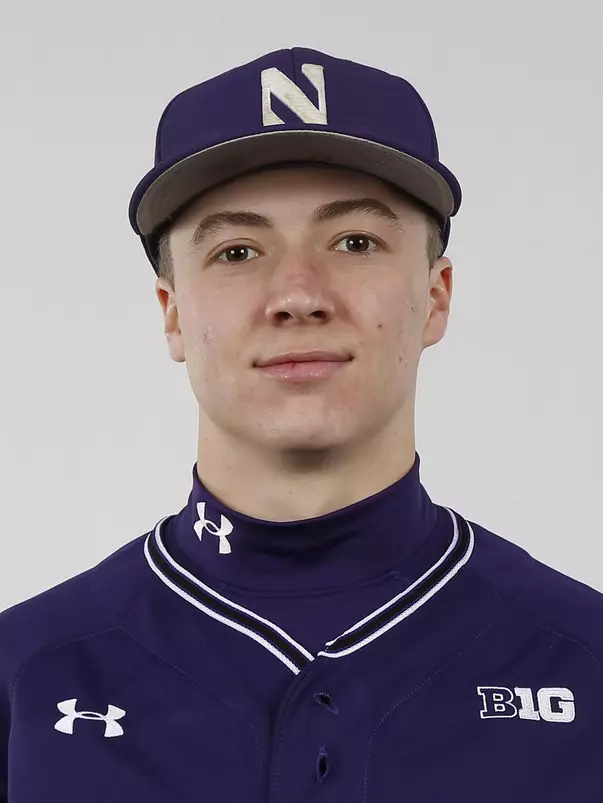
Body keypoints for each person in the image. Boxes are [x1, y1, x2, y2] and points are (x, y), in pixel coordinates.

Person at [1, 46, 601, 802]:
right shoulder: (28, 673)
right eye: (237, 250)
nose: (296, 294)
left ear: (435, 295)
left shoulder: (583, 658)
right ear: (174, 313)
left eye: (354, 242)